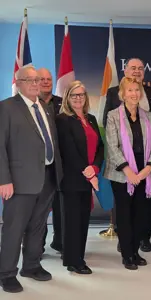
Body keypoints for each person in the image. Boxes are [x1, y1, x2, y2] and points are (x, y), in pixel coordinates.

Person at [0, 66, 63, 293]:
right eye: (31, 80)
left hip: (46, 178)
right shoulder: (6, 107)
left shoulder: (45, 108)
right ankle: (6, 273)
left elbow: (51, 143)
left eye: (39, 80)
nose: (36, 84)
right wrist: (3, 179)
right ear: (18, 82)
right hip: (18, 181)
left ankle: (31, 266)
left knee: (37, 227)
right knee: (14, 228)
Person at [103, 58, 151, 253]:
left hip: (144, 170)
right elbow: (112, 144)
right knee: (125, 213)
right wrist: (128, 171)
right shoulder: (113, 115)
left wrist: (147, 169)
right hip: (122, 171)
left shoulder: (149, 114)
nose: (134, 93)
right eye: (130, 90)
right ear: (122, 94)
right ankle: (127, 252)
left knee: (142, 212)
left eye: (137, 91)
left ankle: (138, 245)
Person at [56, 80, 104, 274]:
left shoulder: (90, 118)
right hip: (72, 178)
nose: (78, 98)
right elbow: (68, 149)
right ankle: (72, 261)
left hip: (89, 176)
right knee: (72, 220)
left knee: (84, 219)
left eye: (81, 95)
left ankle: (79, 256)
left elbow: (100, 147)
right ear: (68, 97)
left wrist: (95, 168)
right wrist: (87, 171)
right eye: (74, 95)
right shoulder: (62, 120)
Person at [37, 67, 63, 255]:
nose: (46, 82)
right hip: (39, 166)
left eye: (49, 79)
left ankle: (61, 243)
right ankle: (37, 247)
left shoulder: (62, 102)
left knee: (61, 207)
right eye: (42, 79)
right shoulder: (31, 104)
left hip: (61, 165)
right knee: (40, 211)